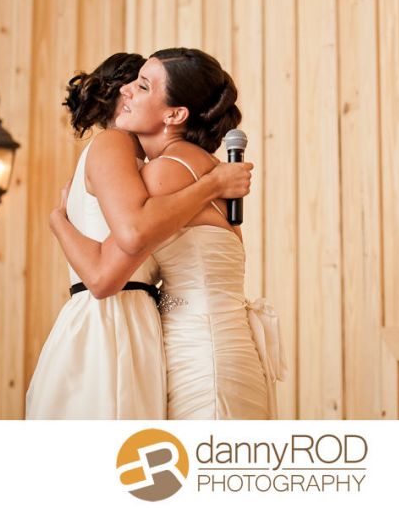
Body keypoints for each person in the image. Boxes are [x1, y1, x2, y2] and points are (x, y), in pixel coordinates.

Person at [51, 47, 285, 419]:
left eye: (143, 86)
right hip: (213, 348)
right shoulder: (198, 165)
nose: (127, 90)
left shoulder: (167, 170)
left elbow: (109, 266)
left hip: (203, 359)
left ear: (175, 114)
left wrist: (58, 221)